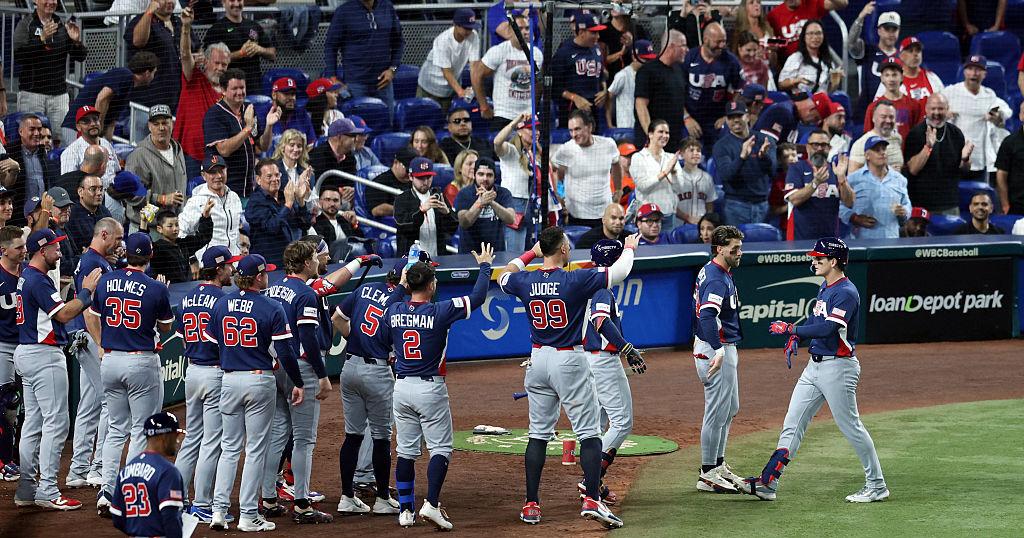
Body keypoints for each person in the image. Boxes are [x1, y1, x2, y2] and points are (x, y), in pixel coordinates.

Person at [499, 227, 639, 529]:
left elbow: (504, 275)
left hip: (537, 358)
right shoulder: (574, 278)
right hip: (569, 358)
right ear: (563, 249)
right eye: (566, 244)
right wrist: (630, 247)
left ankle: (531, 504)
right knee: (589, 433)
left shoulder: (527, 278)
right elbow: (621, 271)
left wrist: (531, 254)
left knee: (538, 434)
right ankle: (592, 499)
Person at [741, 237, 888, 504]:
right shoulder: (826, 286)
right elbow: (816, 321)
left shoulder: (845, 291)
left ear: (834, 261)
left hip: (839, 368)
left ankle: (876, 485)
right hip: (814, 367)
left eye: (819, 258)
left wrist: (790, 329)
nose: (814, 261)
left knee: (851, 427)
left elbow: (829, 329)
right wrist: (798, 337)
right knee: (792, 423)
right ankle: (768, 483)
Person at [385, 244, 494, 529]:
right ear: (432, 285)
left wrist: (406, 274)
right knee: (441, 448)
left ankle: (406, 511)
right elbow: (478, 296)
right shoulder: (440, 311)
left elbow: (398, 294)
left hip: (401, 388)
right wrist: (484, 266)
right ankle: (432, 504)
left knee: (406, 452)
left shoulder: (394, 309)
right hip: (429, 388)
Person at [204, 254, 304, 532]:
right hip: (259, 381)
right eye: (265, 273)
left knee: (229, 447)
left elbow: (213, 344)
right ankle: (248, 514)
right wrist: (297, 381)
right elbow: (284, 352)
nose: (268, 275)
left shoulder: (221, 303)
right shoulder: (271, 307)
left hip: (229, 379)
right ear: (259, 277)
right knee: (256, 450)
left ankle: (219, 511)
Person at [14, 229, 101, 510]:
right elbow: (64, 314)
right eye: (55, 247)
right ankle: (48, 489)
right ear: (42, 251)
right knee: (56, 422)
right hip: (43, 356)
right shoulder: (38, 280)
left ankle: (27, 489)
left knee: (34, 423)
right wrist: (86, 293)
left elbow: (55, 309)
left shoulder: (27, 276)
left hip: (27, 352)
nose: (60, 252)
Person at [257, 241, 341, 525]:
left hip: (277, 366)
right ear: (306, 264)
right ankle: (302, 504)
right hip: (301, 368)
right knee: (304, 440)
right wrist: (322, 376)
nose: (318, 262)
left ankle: (268, 498)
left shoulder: (272, 289)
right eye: (314, 258)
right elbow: (307, 337)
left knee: (279, 433)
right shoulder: (305, 293)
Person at [93, 233, 174, 516]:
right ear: (150, 257)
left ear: (126, 254)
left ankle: (106, 492)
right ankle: (132, 493)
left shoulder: (105, 280)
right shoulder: (155, 288)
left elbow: (95, 314)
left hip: (111, 360)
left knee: (116, 429)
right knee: (141, 429)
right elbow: (165, 327)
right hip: (140, 361)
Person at [331, 256, 413, 518]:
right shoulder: (402, 302)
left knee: (353, 435)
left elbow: (337, 318)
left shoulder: (365, 288)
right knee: (380, 437)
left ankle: (347, 497)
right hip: (376, 372)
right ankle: (381, 498)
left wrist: (358, 340)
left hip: (350, 367)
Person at [578, 239, 646, 504]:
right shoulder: (601, 289)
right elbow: (600, 321)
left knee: (598, 425)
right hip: (603, 362)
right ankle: (590, 481)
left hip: (587, 360)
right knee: (622, 422)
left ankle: (593, 482)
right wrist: (627, 348)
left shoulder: (585, 282)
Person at [174, 246, 238, 524]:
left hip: (193, 372)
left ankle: (176, 499)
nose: (233, 270)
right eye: (229, 266)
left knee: (192, 439)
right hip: (214, 374)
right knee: (212, 442)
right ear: (219, 269)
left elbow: (184, 338)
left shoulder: (187, 298)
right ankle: (201, 504)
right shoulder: (223, 300)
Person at [64, 218, 123, 491]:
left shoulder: (97, 260)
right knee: (110, 402)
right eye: (118, 238)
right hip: (89, 337)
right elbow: (88, 309)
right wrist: (101, 344)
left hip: (83, 337)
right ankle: (98, 467)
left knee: (88, 406)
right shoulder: (92, 263)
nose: (120, 244)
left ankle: (77, 470)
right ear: (103, 234)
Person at [691, 224, 747, 493]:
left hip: (720, 347)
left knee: (730, 408)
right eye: (734, 249)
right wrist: (720, 350)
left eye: (740, 248)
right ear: (719, 249)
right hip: (715, 349)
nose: (739, 253)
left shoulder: (718, 271)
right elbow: (707, 316)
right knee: (715, 412)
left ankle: (718, 464)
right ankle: (707, 472)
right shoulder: (715, 277)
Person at [13, 0, 86, 144]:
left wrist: (76, 42)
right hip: (32, 95)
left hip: (59, 96)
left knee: (61, 140)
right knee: (31, 141)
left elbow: (80, 57)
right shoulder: (26, 24)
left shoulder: (63, 25)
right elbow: (19, 56)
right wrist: (41, 39)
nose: (51, 2)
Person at [324, 0, 404, 119]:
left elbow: (399, 42)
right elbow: (330, 46)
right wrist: (332, 78)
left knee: (387, 125)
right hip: (356, 84)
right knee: (356, 128)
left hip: (383, 83)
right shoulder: (344, 11)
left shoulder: (387, 7)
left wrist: (393, 69)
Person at [110, 411, 185, 538]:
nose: (177, 442)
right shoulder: (167, 471)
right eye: (175, 436)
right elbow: (170, 516)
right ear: (163, 437)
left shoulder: (126, 470)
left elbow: (117, 516)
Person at [176, 5, 230, 178]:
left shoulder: (228, 92)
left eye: (224, 64)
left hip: (216, 158)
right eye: (217, 63)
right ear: (205, 61)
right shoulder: (194, 78)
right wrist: (185, 27)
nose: (220, 68)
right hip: (189, 155)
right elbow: (185, 54)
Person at [60, 51, 158, 141]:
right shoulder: (124, 74)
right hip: (75, 128)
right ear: (147, 73)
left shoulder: (129, 88)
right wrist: (98, 128)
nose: (154, 76)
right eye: (154, 72)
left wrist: (109, 146)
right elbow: (102, 99)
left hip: (87, 132)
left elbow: (111, 121)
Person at [203, 68, 273, 195]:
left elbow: (262, 146)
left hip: (249, 188)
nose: (240, 92)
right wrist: (247, 128)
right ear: (223, 90)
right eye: (235, 88)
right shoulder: (214, 114)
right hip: (225, 189)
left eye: (242, 88)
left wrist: (269, 126)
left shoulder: (249, 108)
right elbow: (224, 150)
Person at [943, 55, 1011, 180]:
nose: (974, 73)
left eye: (978, 69)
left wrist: (996, 118)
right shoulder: (950, 92)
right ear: (964, 72)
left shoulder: (989, 95)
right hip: (954, 157)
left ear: (984, 74)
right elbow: (932, 114)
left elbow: (1003, 119)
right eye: (970, 69)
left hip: (980, 159)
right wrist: (944, 115)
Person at [904, 93, 974, 216]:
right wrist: (928, 147)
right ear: (926, 109)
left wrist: (966, 159)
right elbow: (913, 169)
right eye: (933, 108)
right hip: (921, 205)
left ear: (947, 110)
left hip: (950, 203)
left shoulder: (956, 133)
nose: (936, 112)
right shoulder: (915, 133)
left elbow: (964, 170)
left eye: (941, 108)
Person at [473, 13, 543, 132]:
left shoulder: (536, 53)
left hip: (527, 115)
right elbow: (476, 75)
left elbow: (538, 83)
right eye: (519, 28)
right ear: (510, 31)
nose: (525, 32)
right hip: (504, 114)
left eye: (527, 28)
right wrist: (484, 106)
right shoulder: (499, 51)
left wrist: (533, 108)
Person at [681, 22, 744, 149]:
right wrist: (686, 117)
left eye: (724, 41)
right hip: (691, 118)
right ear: (705, 39)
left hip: (717, 120)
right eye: (718, 41)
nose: (722, 45)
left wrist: (728, 115)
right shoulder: (689, 58)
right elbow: (677, 90)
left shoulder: (731, 61)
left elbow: (739, 90)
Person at [553, 110, 621, 227]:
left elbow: (616, 164)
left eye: (577, 129)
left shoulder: (608, 145)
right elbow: (554, 170)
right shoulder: (566, 150)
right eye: (571, 130)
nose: (574, 134)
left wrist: (619, 190)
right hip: (576, 216)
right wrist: (559, 193)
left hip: (604, 214)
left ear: (589, 127)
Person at [714, 100, 776, 226]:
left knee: (764, 245)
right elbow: (726, 175)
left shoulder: (765, 140)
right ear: (726, 120)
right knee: (734, 245)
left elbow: (773, 172)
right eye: (731, 117)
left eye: (739, 116)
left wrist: (763, 157)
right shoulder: (721, 146)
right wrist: (742, 157)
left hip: (762, 205)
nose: (736, 120)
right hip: (735, 206)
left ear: (747, 117)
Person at [784, 130, 854, 240]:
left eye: (824, 145)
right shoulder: (797, 168)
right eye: (815, 145)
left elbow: (849, 202)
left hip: (829, 239)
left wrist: (842, 179)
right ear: (807, 147)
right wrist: (815, 182)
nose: (820, 149)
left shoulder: (836, 169)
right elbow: (794, 199)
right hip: (799, 239)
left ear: (829, 148)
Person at [126, 105, 188, 227]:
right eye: (156, 124)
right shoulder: (139, 155)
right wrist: (161, 199)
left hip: (173, 226)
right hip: (147, 228)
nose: (161, 128)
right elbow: (131, 193)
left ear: (172, 124)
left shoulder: (177, 149)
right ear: (149, 126)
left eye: (165, 123)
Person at [125, 0, 192, 110]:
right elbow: (138, 41)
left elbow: (195, 47)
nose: (170, 1)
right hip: (148, 100)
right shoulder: (141, 20)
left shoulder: (179, 22)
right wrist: (149, 12)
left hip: (177, 97)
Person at [840, 136, 912, 239]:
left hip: (891, 241)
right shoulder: (853, 179)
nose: (882, 153)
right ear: (867, 155)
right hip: (862, 243)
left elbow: (907, 204)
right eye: (877, 150)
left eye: (884, 149)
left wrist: (904, 212)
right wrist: (855, 218)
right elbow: (841, 207)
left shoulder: (899, 179)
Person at [245, 159, 312, 267]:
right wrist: (288, 204)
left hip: (289, 262)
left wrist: (300, 201)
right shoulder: (254, 203)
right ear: (258, 179)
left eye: (277, 175)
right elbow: (272, 227)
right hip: (268, 265)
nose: (275, 179)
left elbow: (305, 224)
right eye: (269, 176)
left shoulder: (284, 196)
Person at [202, 0, 274, 94]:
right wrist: (240, 53)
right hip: (229, 89)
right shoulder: (216, 29)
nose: (236, 4)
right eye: (232, 0)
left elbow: (273, 54)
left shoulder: (254, 26)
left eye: (239, 0)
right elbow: (209, 62)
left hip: (254, 87)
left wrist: (260, 49)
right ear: (223, 2)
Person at [179, 154, 243, 259]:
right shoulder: (196, 201)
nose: (218, 176)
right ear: (203, 175)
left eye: (221, 171)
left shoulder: (234, 197)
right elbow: (180, 231)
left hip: (233, 261)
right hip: (210, 264)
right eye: (212, 172)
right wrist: (191, 258)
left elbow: (235, 232)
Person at [552, 12, 608, 129]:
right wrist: (574, 97)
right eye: (593, 32)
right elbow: (554, 87)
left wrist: (604, 90)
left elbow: (601, 74)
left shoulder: (596, 49)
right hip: (571, 110)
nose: (598, 36)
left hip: (594, 111)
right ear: (581, 32)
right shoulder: (564, 52)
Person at [634, 27, 686, 151]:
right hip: (652, 142)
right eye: (683, 46)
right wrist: (651, 136)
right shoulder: (648, 71)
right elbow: (640, 105)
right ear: (672, 47)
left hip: (672, 140)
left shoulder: (679, 70)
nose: (686, 50)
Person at [418, 8, 480, 111]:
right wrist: (460, 92)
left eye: (471, 28)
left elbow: (474, 66)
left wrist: (476, 89)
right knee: (423, 122)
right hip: (429, 85)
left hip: (449, 88)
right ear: (455, 25)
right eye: (466, 28)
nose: (469, 31)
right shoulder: (443, 40)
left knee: (445, 121)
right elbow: (446, 72)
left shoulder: (474, 36)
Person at [394, 158, 458, 257]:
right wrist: (421, 211)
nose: (425, 181)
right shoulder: (402, 199)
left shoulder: (438, 196)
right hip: (411, 261)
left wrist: (447, 213)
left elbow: (451, 230)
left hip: (437, 257)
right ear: (411, 177)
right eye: (421, 178)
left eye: (428, 177)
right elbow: (403, 226)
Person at [493, 114, 539, 252]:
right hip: (514, 203)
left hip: (532, 205)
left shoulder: (533, 153)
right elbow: (497, 142)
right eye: (531, 129)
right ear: (519, 131)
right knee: (515, 253)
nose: (536, 132)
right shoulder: (511, 151)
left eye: (537, 128)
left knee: (530, 251)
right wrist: (515, 122)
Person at [0, 226, 24, 481]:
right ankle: (4, 460)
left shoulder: (27, 275)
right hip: (2, 346)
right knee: (6, 404)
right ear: (3, 250)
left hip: (25, 345)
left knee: (21, 408)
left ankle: (16, 456)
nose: (23, 250)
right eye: (18, 247)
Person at [848, 4, 900, 121]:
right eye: (887, 29)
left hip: (894, 115)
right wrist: (860, 18)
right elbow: (851, 43)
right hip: (865, 114)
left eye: (894, 29)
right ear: (879, 31)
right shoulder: (867, 50)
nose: (891, 34)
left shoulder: (903, 56)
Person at [630, 120, 684, 230]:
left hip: (668, 216)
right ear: (650, 134)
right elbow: (643, 186)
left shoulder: (671, 158)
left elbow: (679, 188)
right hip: (646, 218)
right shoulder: (638, 157)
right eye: (661, 132)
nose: (665, 136)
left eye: (667, 133)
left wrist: (673, 172)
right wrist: (665, 173)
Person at [455, 158, 515, 252]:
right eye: (481, 174)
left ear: (495, 177)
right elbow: (464, 223)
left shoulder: (503, 193)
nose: (485, 178)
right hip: (468, 254)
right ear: (474, 175)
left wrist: (491, 202)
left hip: (496, 253)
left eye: (489, 175)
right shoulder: (464, 194)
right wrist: (481, 202)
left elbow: (511, 219)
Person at [8, 114, 57, 227]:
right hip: (17, 217)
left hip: (42, 215)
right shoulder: (10, 153)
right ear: (20, 131)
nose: (37, 133)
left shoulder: (43, 153)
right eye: (32, 129)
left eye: (39, 129)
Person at [61, 106, 122, 188]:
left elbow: (117, 171)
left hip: (112, 194)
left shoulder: (106, 144)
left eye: (95, 119)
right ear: (78, 127)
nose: (93, 124)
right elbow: (68, 184)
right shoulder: (71, 152)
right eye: (86, 121)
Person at [864, 58, 924, 142]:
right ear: (882, 78)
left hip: (908, 154)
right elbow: (867, 138)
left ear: (902, 77)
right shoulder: (873, 108)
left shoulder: (914, 105)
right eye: (887, 75)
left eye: (894, 75)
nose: (891, 79)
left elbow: (919, 135)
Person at [150, 207, 215, 282]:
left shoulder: (184, 244)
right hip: (169, 290)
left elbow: (204, 237)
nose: (175, 229)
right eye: (170, 226)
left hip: (185, 288)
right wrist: (143, 223)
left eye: (177, 225)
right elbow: (143, 246)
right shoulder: (157, 248)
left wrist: (206, 217)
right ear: (159, 229)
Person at [778, 20, 841, 95]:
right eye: (811, 33)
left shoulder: (828, 61)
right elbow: (781, 84)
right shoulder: (796, 58)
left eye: (818, 33)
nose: (815, 37)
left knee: (842, 98)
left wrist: (835, 83)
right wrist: (795, 81)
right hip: (802, 101)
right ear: (804, 37)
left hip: (823, 101)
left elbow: (829, 92)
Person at [767, 0, 849, 57]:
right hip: (788, 66)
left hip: (816, 61)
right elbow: (770, 40)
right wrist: (782, 43)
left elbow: (843, 4)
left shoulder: (811, 3)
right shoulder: (773, 15)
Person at [607, 40, 655, 130]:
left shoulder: (649, 75)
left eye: (650, 59)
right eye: (646, 59)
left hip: (644, 126)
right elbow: (608, 97)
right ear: (635, 57)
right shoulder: (623, 75)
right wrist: (609, 123)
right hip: (626, 127)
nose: (648, 62)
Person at [307, 118, 361, 198]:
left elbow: (352, 182)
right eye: (352, 136)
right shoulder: (317, 156)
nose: (356, 139)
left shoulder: (350, 157)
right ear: (339, 137)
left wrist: (352, 189)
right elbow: (316, 187)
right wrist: (339, 191)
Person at [849, 101, 903, 172]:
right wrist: (887, 174)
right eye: (883, 117)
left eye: (891, 117)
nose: (888, 121)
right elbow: (853, 179)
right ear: (873, 118)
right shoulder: (861, 144)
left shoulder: (897, 138)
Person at [312, 185, 362, 259]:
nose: (332, 204)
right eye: (328, 200)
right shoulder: (316, 223)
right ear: (320, 202)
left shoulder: (345, 221)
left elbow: (360, 240)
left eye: (335, 200)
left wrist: (354, 224)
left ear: (341, 203)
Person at [676, 137, 717, 225]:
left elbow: (709, 205)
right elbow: (671, 205)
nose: (696, 153)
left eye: (698, 150)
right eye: (691, 150)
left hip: (701, 226)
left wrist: (706, 222)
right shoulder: (675, 177)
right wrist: (687, 218)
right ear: (681, 154)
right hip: (678, 225)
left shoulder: (707, 178)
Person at [368, 147, 417, 218]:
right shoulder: (380, 182)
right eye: (407, 170)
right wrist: (408, 210)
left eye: (413, 171)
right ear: (396, 162)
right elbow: (377, 210)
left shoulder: (415, 181)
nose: (410, 174)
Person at [896, 37, 945, 104]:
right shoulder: (893, 80)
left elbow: (944, 101)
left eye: (918, 50)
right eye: (910, 51)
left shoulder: (932, 77)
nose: (915, 54)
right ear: (901, 55)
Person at [995, 102, 1024, 215]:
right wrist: (1005, 204)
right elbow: (1001, 175)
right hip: (1018, 205)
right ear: (1021, 116)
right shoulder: (1009, 142)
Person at [269, 78, 316, 143]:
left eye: (293, 94)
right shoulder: (264, 114)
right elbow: (258, 149)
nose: (292, 98)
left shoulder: (302, 115)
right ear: (274, 95)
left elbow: (312, 143)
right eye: (286, 94)